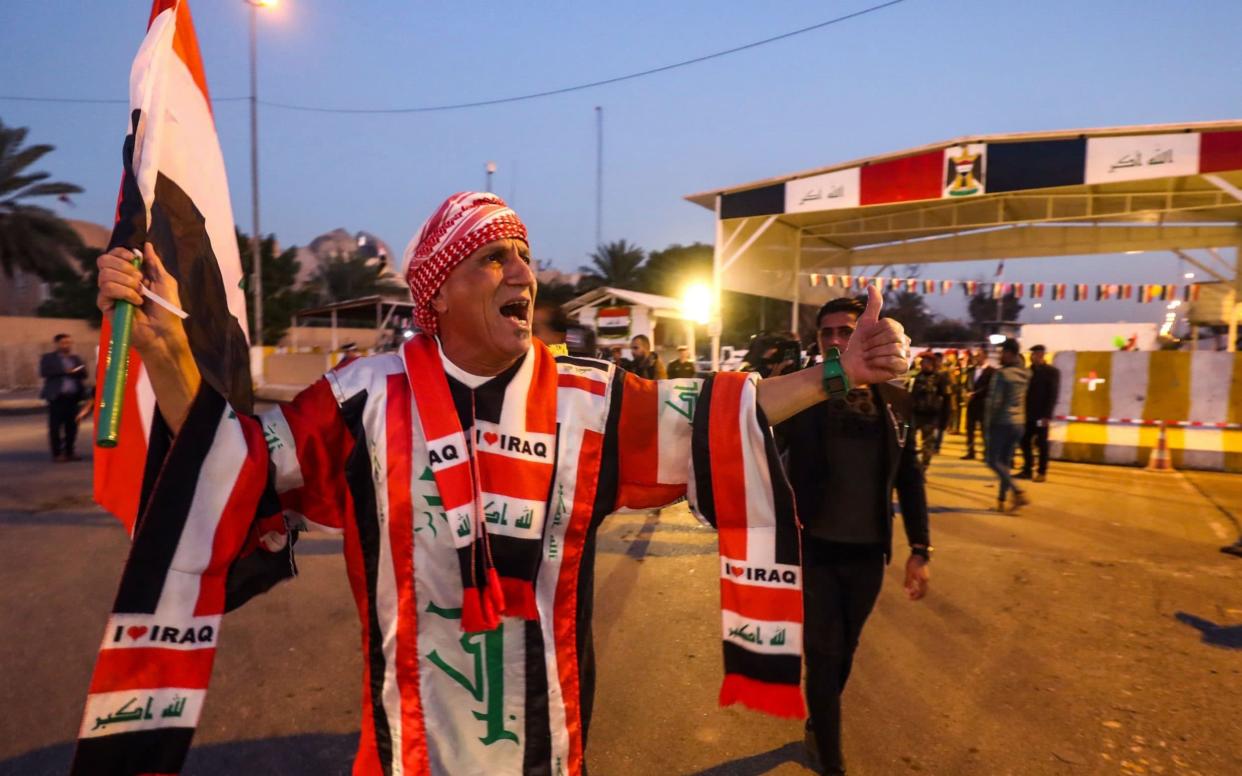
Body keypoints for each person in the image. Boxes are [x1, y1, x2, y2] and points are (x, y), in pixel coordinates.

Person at [85, 192, 911, 776]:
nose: (525, 272)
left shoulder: (591, 400)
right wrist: (165, 350)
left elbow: (720, 418)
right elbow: (236, 466)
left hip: (549, 746)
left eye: (525, 254)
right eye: (496, 257)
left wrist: (838, 373)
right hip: (404, 749)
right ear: (438, 292)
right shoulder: (361, 396)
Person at [777, 296, 931, 776]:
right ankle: (831, 758)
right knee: (822, 656)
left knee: (845, 651)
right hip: (814, 550)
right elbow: (757, 441)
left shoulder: (896, 401)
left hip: (868, 553)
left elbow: (910, 478)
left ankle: (819, 721)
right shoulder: (801, 397)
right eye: (828, 333)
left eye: (847, 331)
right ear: (817, 340)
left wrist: (919, 549)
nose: (837, 340)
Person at [983, 338, 1030, 512]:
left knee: (992, 461)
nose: (1001, 356)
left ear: (1010, 353)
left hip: (1001, 422)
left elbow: (993, 402)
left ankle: (1017, 491)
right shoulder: (1025, 374)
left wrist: (987, 426)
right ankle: (1002, 501)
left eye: (1003, 352)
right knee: (1004, 462)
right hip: (1019, 423)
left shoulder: (1001, 374)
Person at [39, 333, 89, 462]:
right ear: (57, 344)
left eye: (69, 342)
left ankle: (70, 451)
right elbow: (44, 372)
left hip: (73, 397)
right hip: (57, 397)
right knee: (55, 427)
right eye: (64, 342)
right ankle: (57, 454)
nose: (67, 345)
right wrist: (66, 372)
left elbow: (84, 374)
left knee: (72, 426)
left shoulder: (75, 358)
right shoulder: (48, 358)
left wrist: (77, 372)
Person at [1017, 344, 1060, 482]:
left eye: (1036, 354)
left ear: (1042, 355)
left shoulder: (1051, 372)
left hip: (1042, 416)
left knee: (1041, 443)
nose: (1033, 356)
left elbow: (1052, 395)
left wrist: (1047, 415)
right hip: (1028, 414)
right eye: (1033, 354)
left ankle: (1042, 472)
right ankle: (1027, 469)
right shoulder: (1029, 371)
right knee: (1024, 440)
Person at [910, 352, 948, 468]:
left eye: (927, 362)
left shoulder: (940, 378)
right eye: (923, 362)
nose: (924, 365)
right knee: (910, 440)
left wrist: (944, 418)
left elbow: (946, 398)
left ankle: (924, 466)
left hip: (931, 416)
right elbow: (911, 395)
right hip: (916, 414)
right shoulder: (916, 377)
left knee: (928, 443)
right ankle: (913, 463)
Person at [959, 347, 994, 460]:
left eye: (979, 355)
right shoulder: (972, 370)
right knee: (970, 429)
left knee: (984, 430)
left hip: (983, 404)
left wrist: (975, 393)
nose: (976, 358)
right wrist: (965, 393)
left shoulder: (992, 371)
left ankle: (987, 453)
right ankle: (971, 451)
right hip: (971, 403)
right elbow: (966, 384)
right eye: (975, 355)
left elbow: (990, 387)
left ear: (985, 356)